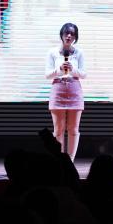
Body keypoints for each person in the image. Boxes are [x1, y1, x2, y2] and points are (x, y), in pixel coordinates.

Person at [45, 22, 86, 160]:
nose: (69, 36)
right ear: (61, 35)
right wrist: (59, 69)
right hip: (58, 88)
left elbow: (84, 74)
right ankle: (59, 161)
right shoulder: (52, 52)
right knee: (58, 130)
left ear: (75, 37)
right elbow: (47, 75)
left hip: (74, 89)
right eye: (66, 33)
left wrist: (73, 70)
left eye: (72, 34)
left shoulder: (79, 53)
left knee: (73, 130)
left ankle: (70, 161)